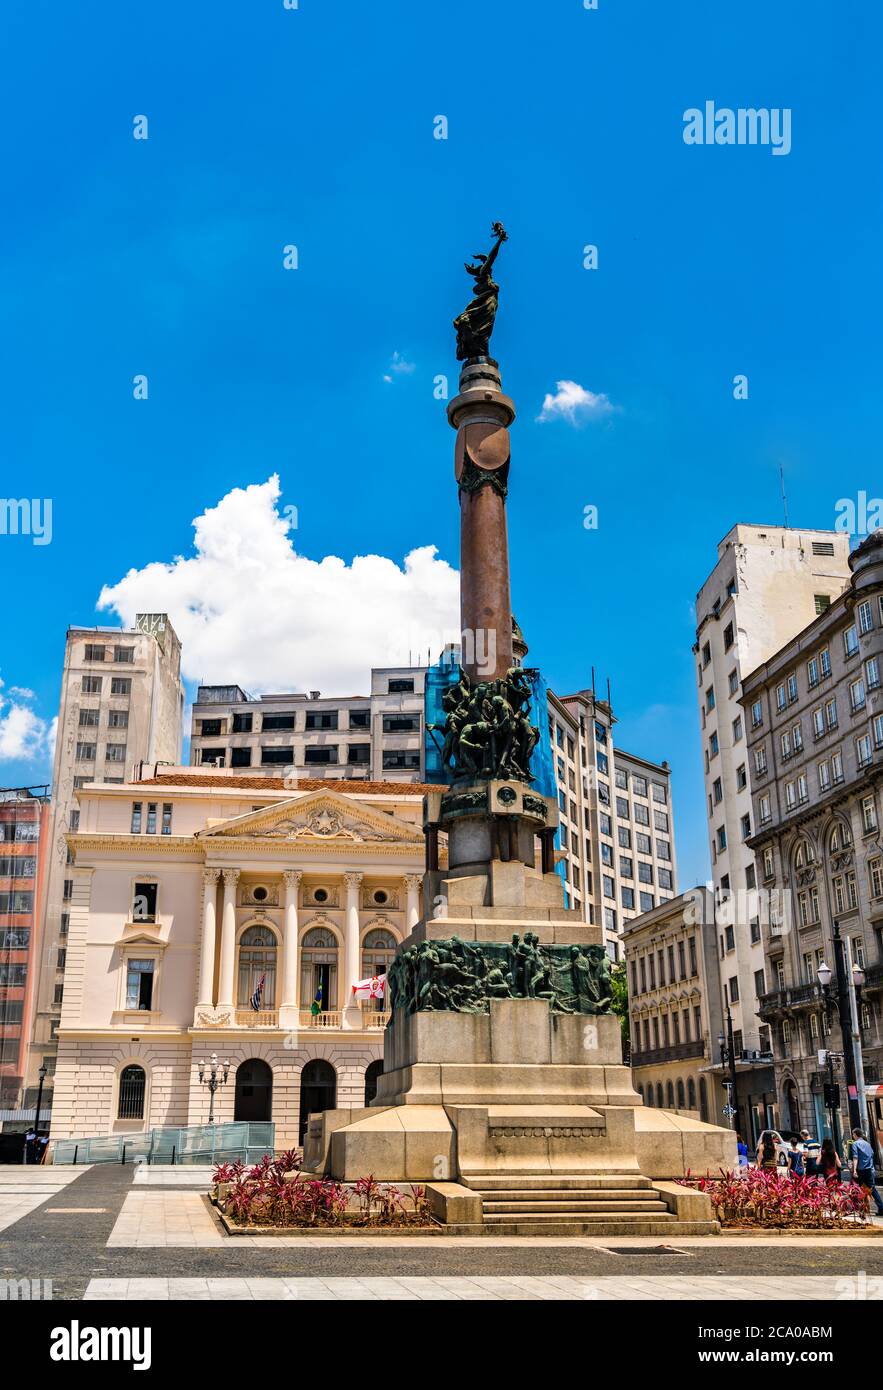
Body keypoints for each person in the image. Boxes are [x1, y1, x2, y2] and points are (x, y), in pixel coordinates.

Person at [850, 1127, 883, 1216]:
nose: (853, 1136)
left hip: (861, 1170)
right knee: (872, 1189)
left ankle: (862, 1208)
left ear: (855, 1135)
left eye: (853, 1134)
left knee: (860, 1189)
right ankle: (881, 1208)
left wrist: (855, 1170)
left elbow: (855, 1157)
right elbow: (871, 1155)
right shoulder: (867, 1144)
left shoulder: (855, 1144)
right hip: (869, 1169)